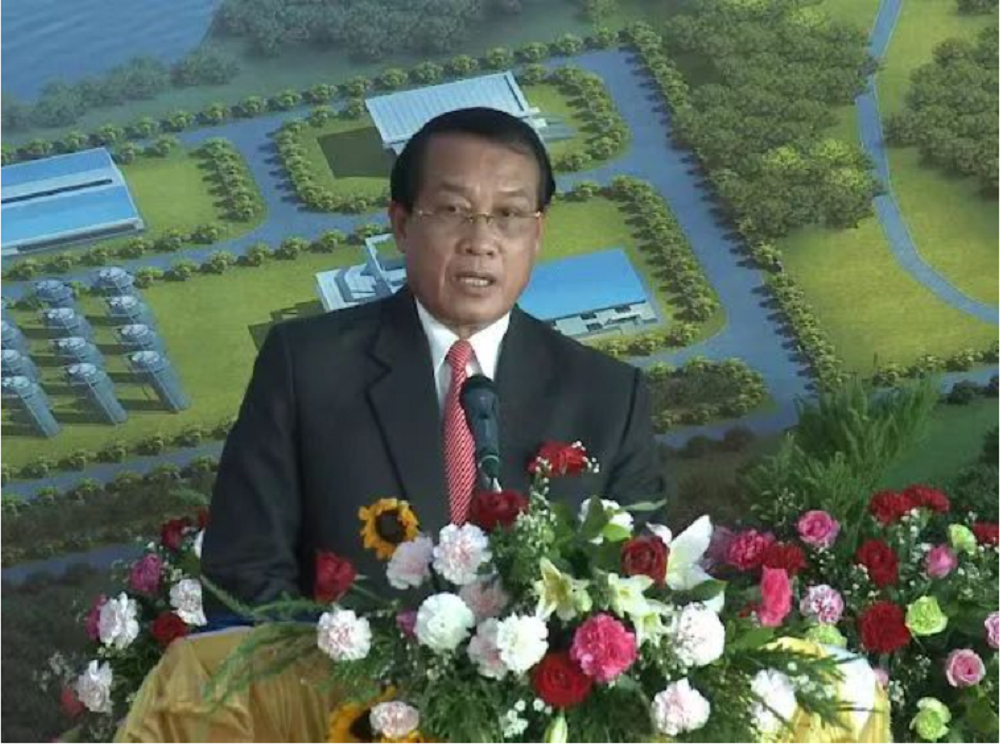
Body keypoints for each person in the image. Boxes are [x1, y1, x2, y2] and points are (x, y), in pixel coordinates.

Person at [201, 107, 664, 608]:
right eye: (452, 210)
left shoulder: (608, 398)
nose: (481, 242)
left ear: (537, 233)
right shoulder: (306, 368)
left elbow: (631, 595)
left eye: (508, 215)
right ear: (402, 225)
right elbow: (244, 573)